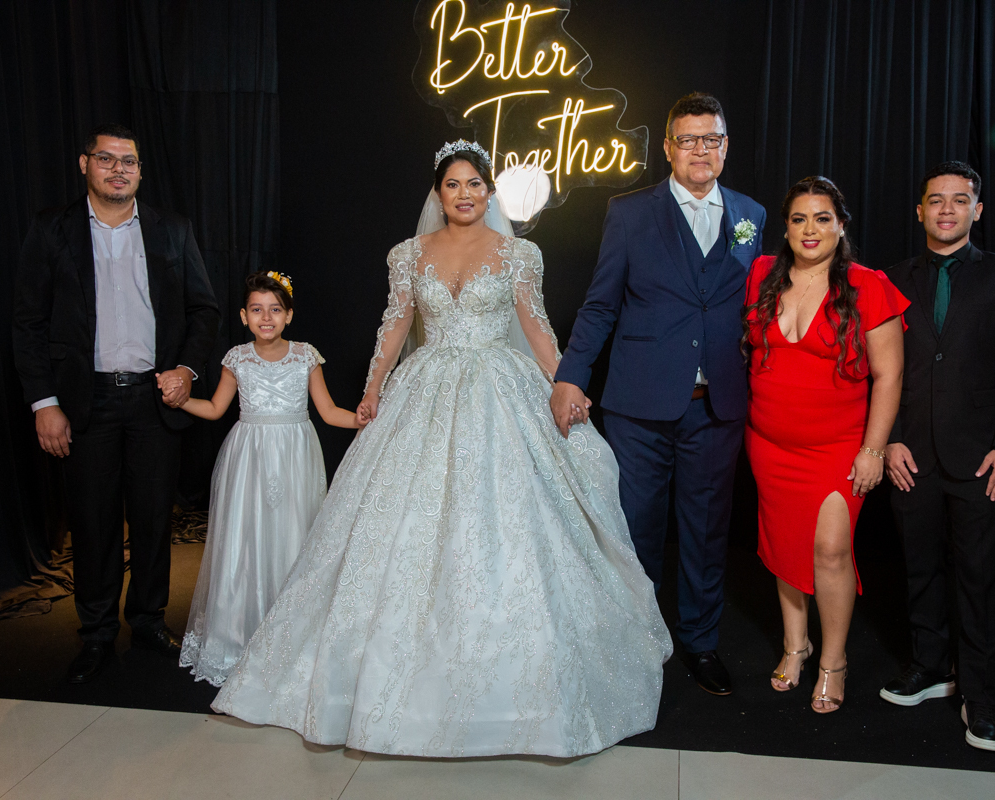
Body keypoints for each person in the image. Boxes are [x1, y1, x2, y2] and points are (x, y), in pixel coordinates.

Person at [210, 141, 671, 758]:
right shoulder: (408, 254)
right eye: (453, 185)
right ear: (438, 193)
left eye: (474, 184)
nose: (464, 194)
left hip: (500, 386)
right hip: (424, 387)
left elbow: (535, 327)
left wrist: (566, 384)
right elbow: (396, 324)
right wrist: (372, 391)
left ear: (490, 191)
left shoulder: (519, 254)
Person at [551, 92, 766, 696]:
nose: (701, 150)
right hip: (639, 406)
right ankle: (635, 642)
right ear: (669, 148)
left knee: (706, 531)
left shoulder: (750, 214)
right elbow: (601, 304)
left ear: (725, 146)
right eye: (688, 139)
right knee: (636, 528)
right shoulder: (629, 213)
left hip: (717, 406)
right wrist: (570, 376)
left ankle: (700, 642)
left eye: (711, 139)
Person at [11, 123, 220, 683]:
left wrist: (187, 370)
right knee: (94, 522)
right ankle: (98, 634)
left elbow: (204, 310)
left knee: (153, 519)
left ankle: (148, 622)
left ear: (140, 171)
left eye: (128, 161)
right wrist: (44, 403)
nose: (118, 170)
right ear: (85, 165)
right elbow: (28, 323)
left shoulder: (172, 229)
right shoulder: (51, 230)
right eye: (106, 159)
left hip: (155, 399)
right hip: (87, 401)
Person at [879, 161, 995, 751]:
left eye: (960, 199)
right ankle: (928, 667)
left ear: (978, 210)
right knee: (919, 567)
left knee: (979, 577)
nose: (947, 209)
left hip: (980, 458)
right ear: (920, 210)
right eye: (936, 200)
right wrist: (889, 438)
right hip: (910, 453)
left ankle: (981, 695)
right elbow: (882, 370)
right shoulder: (891, 279)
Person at [742, 176, 907, 713]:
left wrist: (873, 449)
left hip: (837, 447)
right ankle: (796, 646)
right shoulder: (762, 275)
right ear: (786, 227)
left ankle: (833, 661)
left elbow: (889, 375)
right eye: (798, 219)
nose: (809, 229)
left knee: (831, 551)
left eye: (822, 218)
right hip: (768, 443)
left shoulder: (867, 286)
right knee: (785, 546)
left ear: (841, 226)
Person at [161, 271, 359, 686]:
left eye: (275, 310)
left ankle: (292, 636)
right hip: (248, 456)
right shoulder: (236, 358)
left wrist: (364, 421)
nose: (266, 318)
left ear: (289, 315)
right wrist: (180, 402)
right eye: (257, 310)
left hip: (295, 456)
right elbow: (215, 409)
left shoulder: (306, 356)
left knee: (293, 533)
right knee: (247, 537)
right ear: (243, 316)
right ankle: (239, 634)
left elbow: (327, 412)